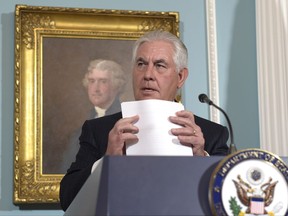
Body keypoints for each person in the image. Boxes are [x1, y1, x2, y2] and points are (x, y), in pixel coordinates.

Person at [59, 30, 229, 211]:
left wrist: (202, 159)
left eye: (160, 65)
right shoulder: (100, 130)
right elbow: (67, 199)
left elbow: (229, 202)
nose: (148, 74)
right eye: (141, 64)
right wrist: (106, 160)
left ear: (180, 77)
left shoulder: (211, 135)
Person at [59, 59, 127, 173]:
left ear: (116, 85)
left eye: (103, 81)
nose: (96, 88)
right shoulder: (78, 133)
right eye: (91, 81)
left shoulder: (125, 121)